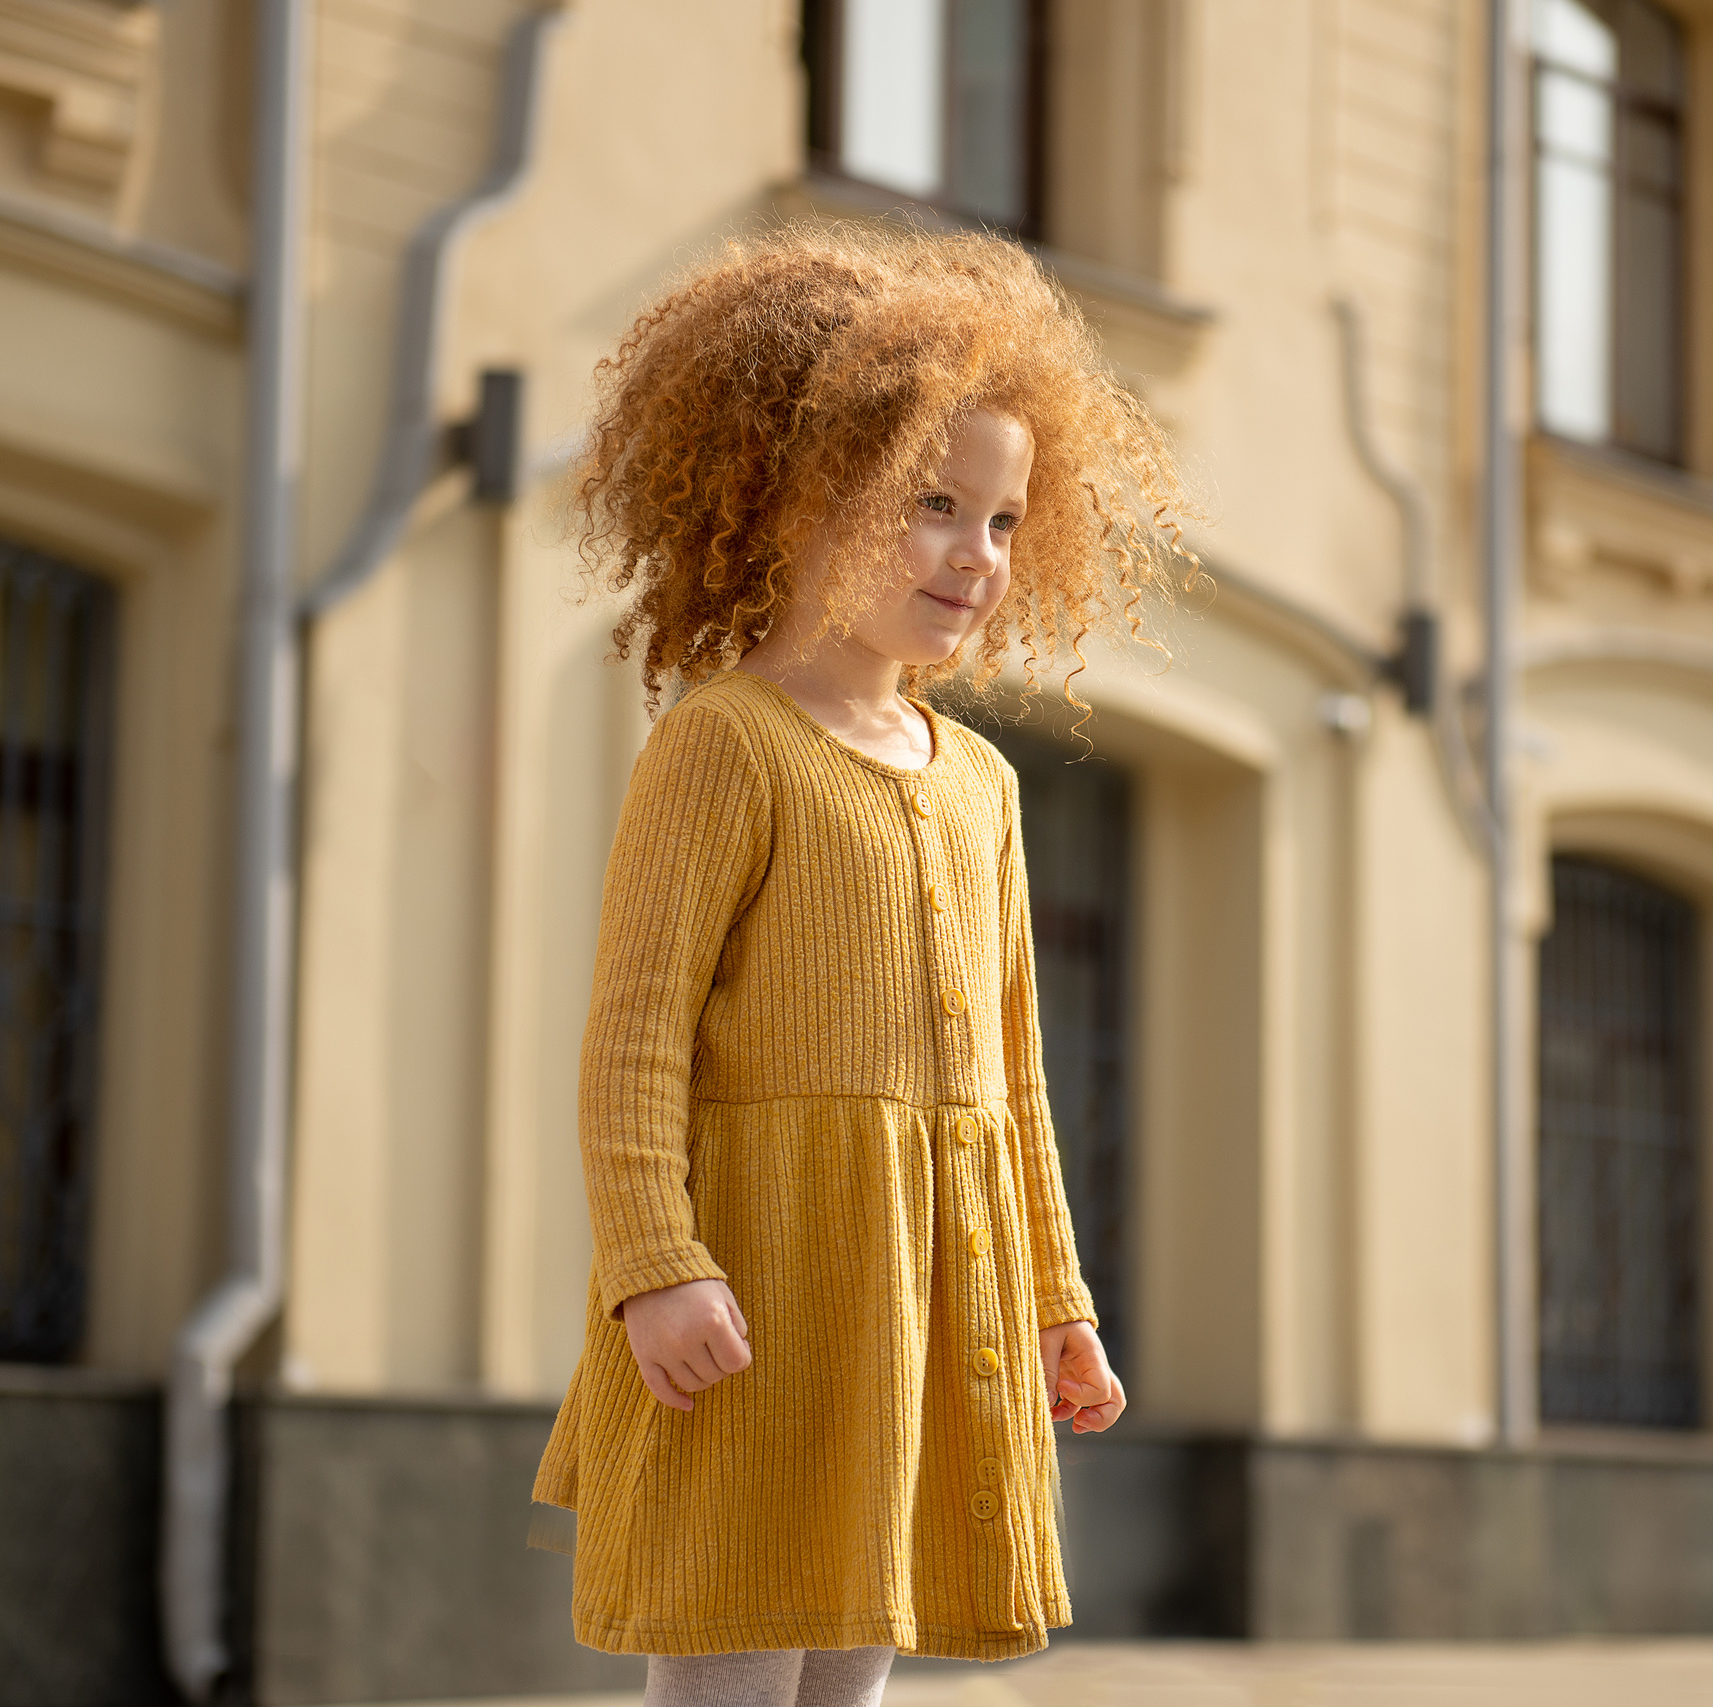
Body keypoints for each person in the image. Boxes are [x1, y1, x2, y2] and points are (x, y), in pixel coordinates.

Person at [531, 223, 1199, 1707]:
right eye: (933, 502)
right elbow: (635, 1037)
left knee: (855, 1677)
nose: (977, 553)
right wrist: (655, 1269)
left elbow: (1013, 1084)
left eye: (1008, 519)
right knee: (732, 1664)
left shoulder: (983, 788)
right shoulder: (723, 743)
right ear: (790, 497)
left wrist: (1055, 1300)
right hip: (755, 1303)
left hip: (914, 1312)